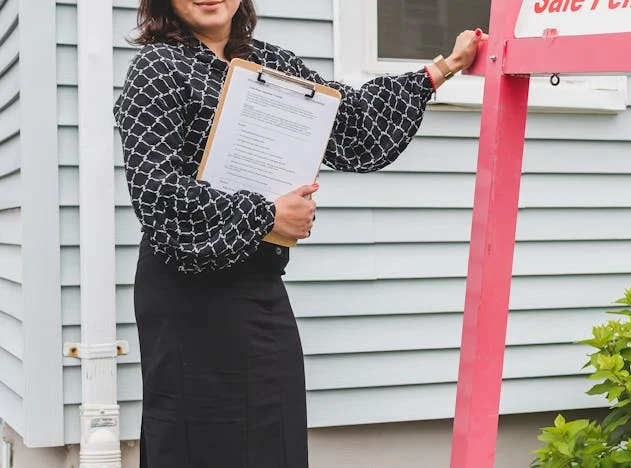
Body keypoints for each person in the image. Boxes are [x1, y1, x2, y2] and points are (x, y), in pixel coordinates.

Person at [113, 1, 485, 467]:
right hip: (185, 296)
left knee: (274, 438)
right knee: (197, 443)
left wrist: (443, 68)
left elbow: (354, 128)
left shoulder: (271, 66)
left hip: (258, 290)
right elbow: (157, 197)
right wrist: (267, 216)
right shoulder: (157, 69)